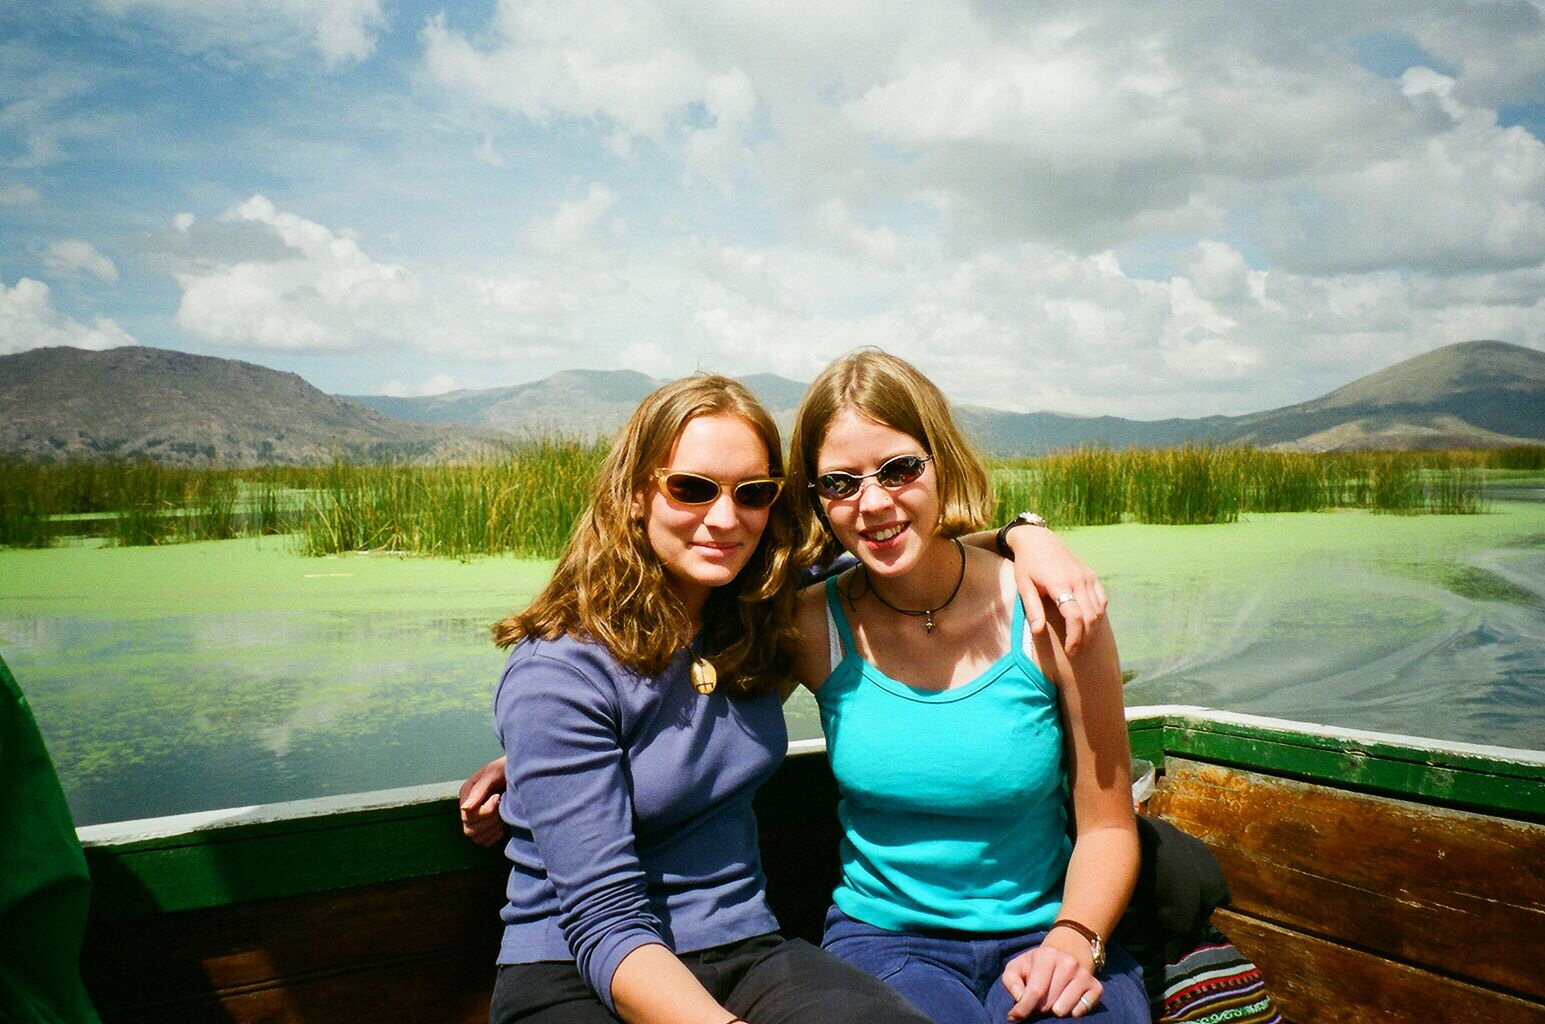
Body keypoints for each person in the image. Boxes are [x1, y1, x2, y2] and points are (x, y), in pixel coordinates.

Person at [465, 373, 1109, 1024]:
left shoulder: (755, 615)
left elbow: (908, 556)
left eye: (751, 493)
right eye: (690, 488)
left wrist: (1024, 536)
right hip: (578, 971)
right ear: (636, 495)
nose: (723, 518)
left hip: (742, 950)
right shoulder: (560, 672)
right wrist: (539, 759)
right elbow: (604, 923)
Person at [784, 349, 1148, 1024]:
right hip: (883, 946)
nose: (873, 504)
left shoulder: (1052, 610)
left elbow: (1107, 827)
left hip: (1050, 930)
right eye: (839, 483)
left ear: (940, 461)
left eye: (898, 470)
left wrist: (1074, 938)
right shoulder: (809, 626)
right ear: (816, 499)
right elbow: (691, 709)